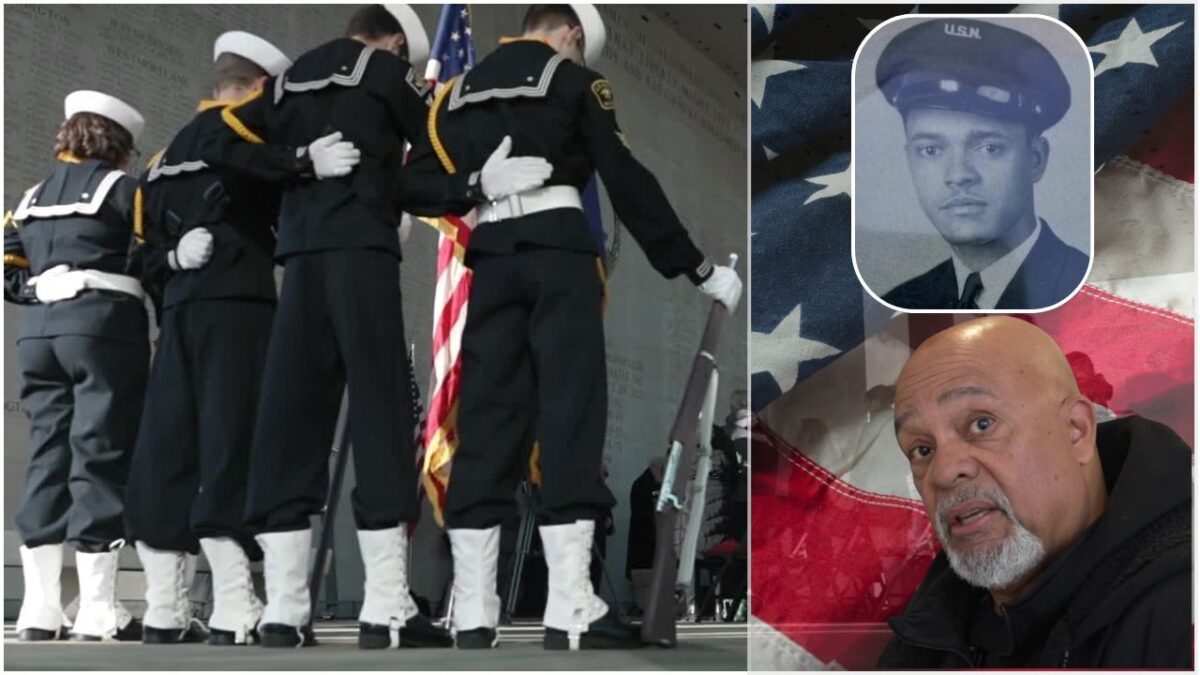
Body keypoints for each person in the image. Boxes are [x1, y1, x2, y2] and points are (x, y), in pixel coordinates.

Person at [199, 4, 547, 649]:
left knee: (290, 421)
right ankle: (386, 609)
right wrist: (474, 182)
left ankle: (283, 610)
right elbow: (432, 163)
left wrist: (299, 161)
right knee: (381, 414)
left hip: (299, 264)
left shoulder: (288, 79)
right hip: (361, 258)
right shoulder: (386, 78)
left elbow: (219, 144)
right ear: (393, 43)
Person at [403, 4, 743, 650]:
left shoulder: (454, 93)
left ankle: (473, 608)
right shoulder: (575, 82)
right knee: (571, 417)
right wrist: (692, 265)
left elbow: (412, 183)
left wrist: (475, 182)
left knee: (486, 423)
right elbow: (625, 177)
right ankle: (569, 607)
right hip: (558, 254)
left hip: (493, 259)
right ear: (572, 35)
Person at [882, 316, 1190, 668]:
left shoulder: (1182, 612)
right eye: (922, 449)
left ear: (1075, 430)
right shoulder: (925, 639)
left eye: (981, 424)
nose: (945, 470)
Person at [125, 31, 291, 646]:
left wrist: (172, 256)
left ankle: (165, 609)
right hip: (239, 310)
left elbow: (138, 256)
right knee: (232, 444)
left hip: (178, 316)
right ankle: (231, 606)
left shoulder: (160, 158)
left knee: (166, 450)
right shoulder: (252, 141)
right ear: (260, 89)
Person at [4, 91, 150, 641]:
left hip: (39, 334)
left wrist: (42, 285)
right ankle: (97, 609)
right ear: (118, 146)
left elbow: (7, 269)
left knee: (48, 455)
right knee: (100, 454)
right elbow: (153, 257)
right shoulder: (124, 190)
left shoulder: (30, 197)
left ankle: (39, 610)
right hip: (102, 331)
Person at [874, 19, 1088, 310]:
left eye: (989, 148)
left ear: (1036, 159)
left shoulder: (1088, 289)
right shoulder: (900, 303)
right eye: (931, 150)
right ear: (909, 159)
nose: (959, 175)